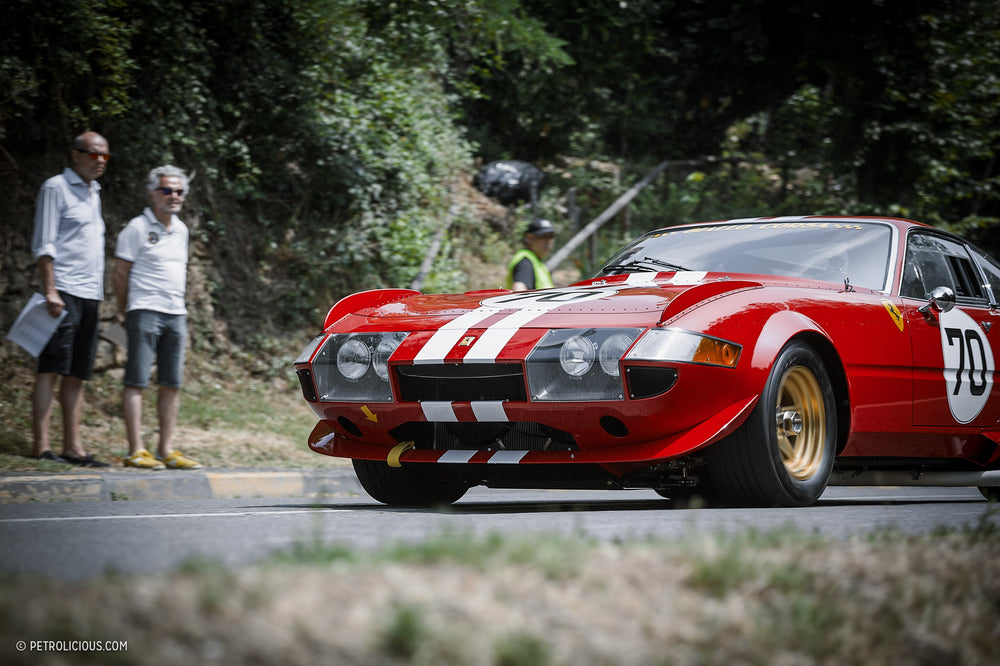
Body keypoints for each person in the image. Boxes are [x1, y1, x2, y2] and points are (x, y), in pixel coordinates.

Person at [30, 132, 111, 467]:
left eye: (105, 156)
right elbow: (44, 244)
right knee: (50, 368)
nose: (100, 162)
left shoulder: (95, 192)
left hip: (90, 293)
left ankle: (73, 447)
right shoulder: (55, 188)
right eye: (93, 155)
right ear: (75, 154)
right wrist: (50, 290)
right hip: (63, 292)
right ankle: (41, 445)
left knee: (78, 373)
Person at [112, 165, 201, 469]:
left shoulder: (182, 229)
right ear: (152, 194)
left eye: (179, 191)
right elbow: (120, 273)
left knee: (171, 383)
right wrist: (124, 310)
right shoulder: (136, 227)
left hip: (176, 313)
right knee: (136, 381)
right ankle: (135, 450)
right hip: (144, 310)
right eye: (167, 190)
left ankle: (166, 449)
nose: (174, 196)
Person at [505, 218, 555, 291]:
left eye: (550, 237)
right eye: (543, 237)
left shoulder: (537, 263)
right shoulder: (525, 262)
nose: (548, 241)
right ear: (529, 238)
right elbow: (518, 291)